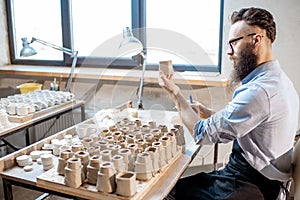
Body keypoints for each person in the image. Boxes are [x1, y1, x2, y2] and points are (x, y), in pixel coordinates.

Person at [159, 7, 299, 200]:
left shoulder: (260, 91)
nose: (228, 51)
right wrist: (209, 113)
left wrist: (174, 93)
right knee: (184, 184)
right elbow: (253, 122)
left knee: (166, 192)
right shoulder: (278, 80)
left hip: (250, 185)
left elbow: (201, 133)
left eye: (234, 43)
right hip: (257, 178)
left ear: (256, 40)